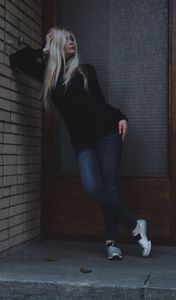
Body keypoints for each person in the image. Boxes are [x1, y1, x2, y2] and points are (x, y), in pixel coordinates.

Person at [9, 26, 152, 260]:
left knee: (110, 187)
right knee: (93, 188)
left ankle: (111, 243)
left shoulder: (86, 71)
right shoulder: (48, 75)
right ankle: (137, 225)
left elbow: (100, 102)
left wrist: (120, 116)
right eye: (65, 39)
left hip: (108, 133)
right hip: (82, 142)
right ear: (55, 45)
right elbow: (16, 60)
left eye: (72, 38)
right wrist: (43, 49)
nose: (71, 41)